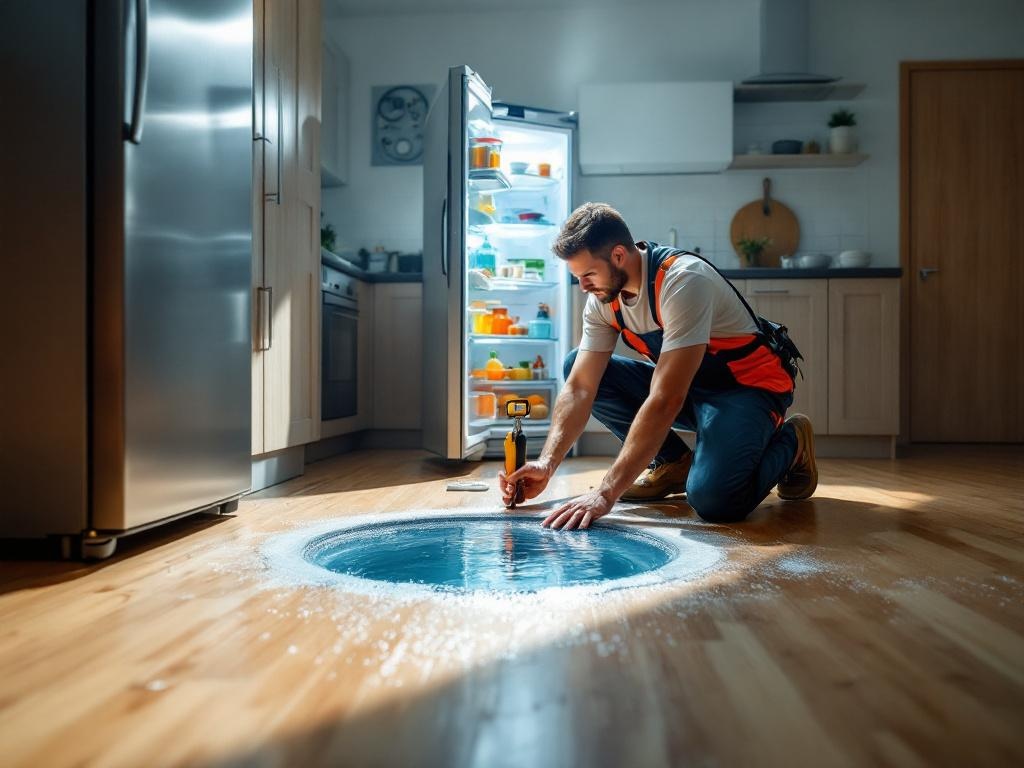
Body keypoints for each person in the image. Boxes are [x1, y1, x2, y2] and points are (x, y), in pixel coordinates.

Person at [498, 202, 817, 530]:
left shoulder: (683, 281)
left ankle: (793, 442)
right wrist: (547, 463)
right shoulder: (604, 300)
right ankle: (674, 463)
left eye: (589, 275)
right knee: (574, 365)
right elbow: (580, 388)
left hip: (748, 390)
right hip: (693, 390)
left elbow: (666, 399)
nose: (584, 287)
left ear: (619, 256)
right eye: (578, 277)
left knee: (715, 501)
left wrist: (606, 493)